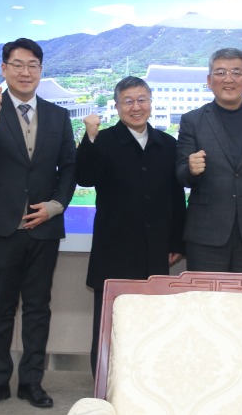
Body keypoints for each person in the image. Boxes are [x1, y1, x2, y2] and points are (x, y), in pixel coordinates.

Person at [0, 38, 76, 409]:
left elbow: (69, 167)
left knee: (37, 308)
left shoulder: (58, 116)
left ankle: (32, 382)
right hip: (1, 225)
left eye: (32, 65)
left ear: (41, 70)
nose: (25, 72)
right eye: (17, 64)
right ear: (4, 69)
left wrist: (56, 206)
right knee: (0, 307)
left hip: (43, 227)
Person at [75, 76, 186, 375]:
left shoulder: (167, 144)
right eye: (128, 101)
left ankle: (145, 381)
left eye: (141, 100)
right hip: (114, 249)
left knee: (151, 322)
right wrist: (89, 138)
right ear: (117, 106)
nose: (136, 107)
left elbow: (176, 198)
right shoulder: (103, 140)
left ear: (150, 103)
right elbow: (84, 177)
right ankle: (103, 384)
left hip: (155, 249)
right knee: (109, 323)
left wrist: (176, 242)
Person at [176, 48, 242, 278]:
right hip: (206, 235)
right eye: (220, 72)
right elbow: (180, 173)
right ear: (209, 81)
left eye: (236, 72)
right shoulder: (192, 120)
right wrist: (191, 169)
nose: (228, 79)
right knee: (204, 298)